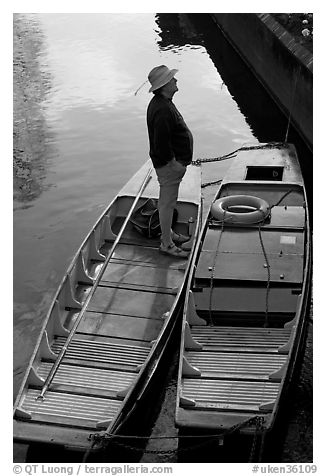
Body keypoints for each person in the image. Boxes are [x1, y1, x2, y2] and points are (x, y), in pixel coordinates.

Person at [146, 65, 193, 258]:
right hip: (169, 167)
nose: (176, 81)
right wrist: (173, 163)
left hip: (169, 165)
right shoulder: (163, 109)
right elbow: (161, 143)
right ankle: (167, 244)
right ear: (165, 85)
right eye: (172, 79)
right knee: (167, 204)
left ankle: (169, 234)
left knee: (168, 202)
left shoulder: (162, 102)